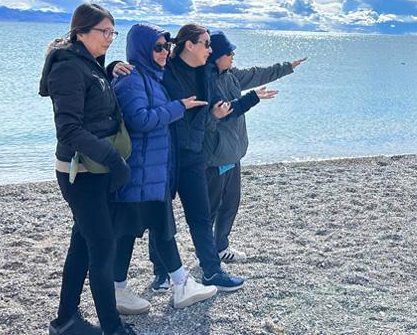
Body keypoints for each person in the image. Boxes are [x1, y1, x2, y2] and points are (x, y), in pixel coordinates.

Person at [39, 3, 136, 335]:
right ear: (80, 32)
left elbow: (92, 101)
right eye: (104, 32)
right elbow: (68, 129)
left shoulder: (88, 63)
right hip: (79, 172)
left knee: (83, 242)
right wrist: (113, 159)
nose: (110, 38)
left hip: (94, 169)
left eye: (113, 32)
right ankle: (112, 328)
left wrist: (110, 69)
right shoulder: (67, 67)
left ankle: (66, 319)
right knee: (103, 246)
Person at [110, 24, 217, 315]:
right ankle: (167, 285)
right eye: (157, 47)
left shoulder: (151, 76)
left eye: (166, 46)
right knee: (137, 231)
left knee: (154, 227)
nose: (164, 52)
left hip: (152, 171)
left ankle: (173, 284)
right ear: (142, 49)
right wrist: (178, 107)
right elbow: (139, 120)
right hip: (140, 171)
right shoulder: (132, 79)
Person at [151, 23, 255, 291]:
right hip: (165, 156)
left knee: (200, 217)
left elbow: (222, 110)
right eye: (206, 44)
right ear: (189, 45)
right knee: (162, 218)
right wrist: (113, 66)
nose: (210, 49)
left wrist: (250, 99)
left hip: (194, 156)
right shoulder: (165, 70)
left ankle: (212, 271)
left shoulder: (206, 73)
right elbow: (136, 75)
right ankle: (161, 273)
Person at [204, 30, 305, 263]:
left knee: (231, 203)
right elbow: (224, 112)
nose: (233, 55)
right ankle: (206, 254)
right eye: (229, 52)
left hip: (234, 153)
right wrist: (253, 98)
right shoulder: (205, 81)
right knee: (210, 209)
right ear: (215, 56)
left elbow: (257, 73)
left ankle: (221, 247)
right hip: (215, 157)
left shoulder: (231, 75)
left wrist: (286, 67)